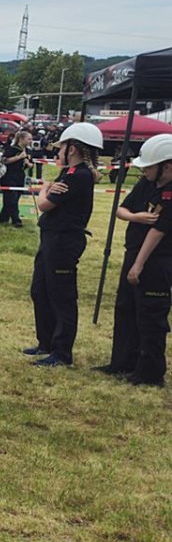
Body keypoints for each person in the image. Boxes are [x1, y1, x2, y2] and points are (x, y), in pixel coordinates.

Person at [25, 123, 102, 367]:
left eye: (62, 147)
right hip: (52, 237)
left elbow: (44, 204)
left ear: (72, 149)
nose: (58, 152)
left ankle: (61, 352)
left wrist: (44, 189)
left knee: (61, 296)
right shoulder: (70, 172)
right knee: (41, 290)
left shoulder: (78, 175)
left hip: (64, 240)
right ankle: (46, 342)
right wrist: (48, 189)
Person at [99, 134, 172, 387]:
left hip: (156, 260)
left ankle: (150, 371)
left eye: (149, 167)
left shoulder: (169, 193)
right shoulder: (147, 183)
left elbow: (158, 231)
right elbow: (121, 209)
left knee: (150, 315)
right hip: (134, 253)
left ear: (167, 166)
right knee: (126, 308)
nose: (144, 171)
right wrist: (136, 217)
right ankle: (122, 361)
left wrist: (138, 265)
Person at [0, 128, 31, 227]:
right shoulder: (11, 149)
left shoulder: (28, 151)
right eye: (28, 139)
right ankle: (16, 220)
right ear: (21, 139)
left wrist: (28, 164)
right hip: (9, 175)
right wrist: (18, 157)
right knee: (11, 198)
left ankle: (3, 217)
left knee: (14, 199)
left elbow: (29, 164)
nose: (30, 141)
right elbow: (4, 160)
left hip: (20, 176)